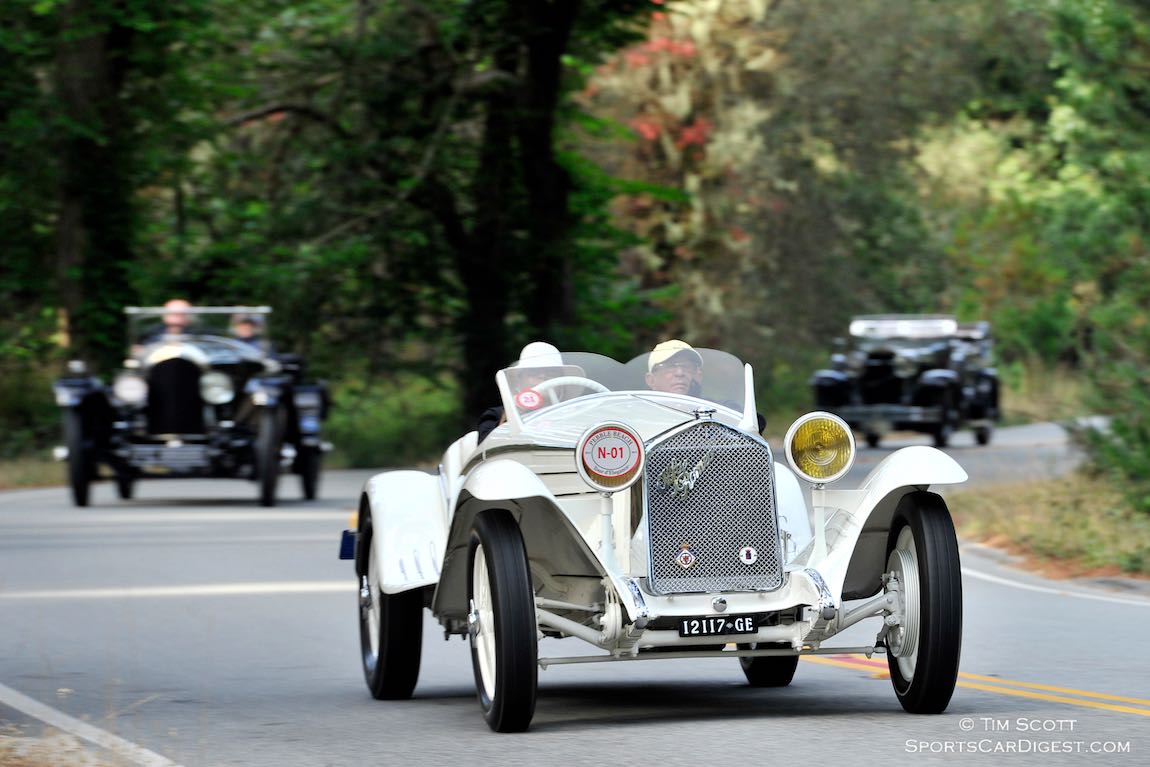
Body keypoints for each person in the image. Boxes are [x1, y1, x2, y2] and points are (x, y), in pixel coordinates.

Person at [477, 341, 567, 441]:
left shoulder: (571, 414)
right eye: (533, 372)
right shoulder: (495, 415)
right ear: (519, 380)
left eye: (551, 372)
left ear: (562, 381)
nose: (542, 376)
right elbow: (488, 447)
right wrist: (511, 414)